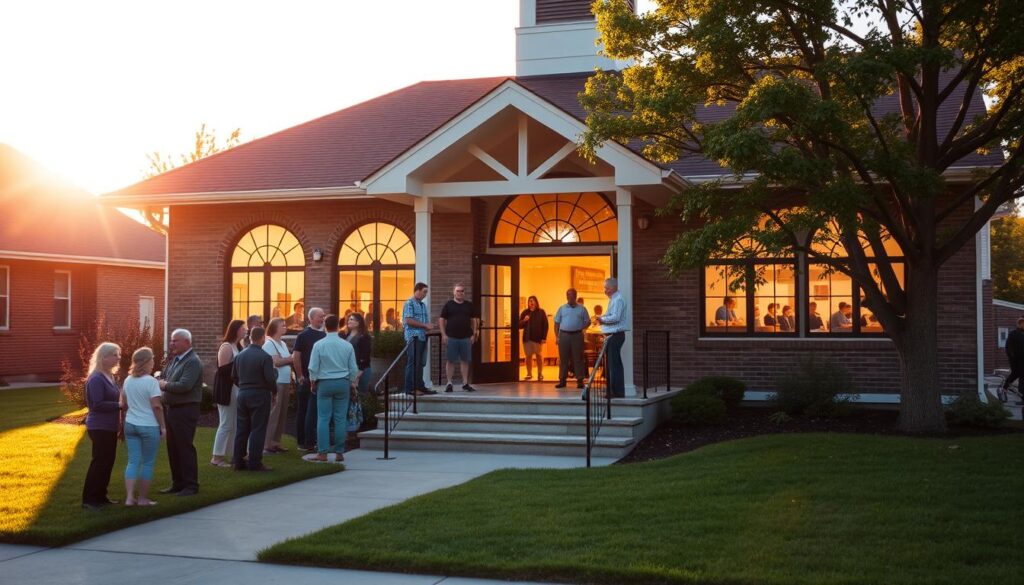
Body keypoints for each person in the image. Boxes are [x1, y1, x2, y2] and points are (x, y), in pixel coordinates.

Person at [308, 314, 361, 462]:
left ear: (325, 326)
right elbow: (353, 368)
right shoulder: (347, 345)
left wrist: (313, 382)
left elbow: (312, 367)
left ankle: (323, 452)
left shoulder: (319, 345)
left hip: (324, 383)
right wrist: (351, 382)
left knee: (323, 418)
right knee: (340, 418)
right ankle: (339, 452)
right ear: (338, 326)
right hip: (342, 382)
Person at [159, 329, 203, 496]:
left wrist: (164, 385)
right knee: (173, 448)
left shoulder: (192, 361)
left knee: (184, 447)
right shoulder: (175, 360)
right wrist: (163, 382)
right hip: (172, 409)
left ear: (187, 342)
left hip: (185, 409)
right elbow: (164, 376)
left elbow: (185, 385)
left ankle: (191, 485)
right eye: (171, 341)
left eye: (175, 341)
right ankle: (177, 483)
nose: (172, 344)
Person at [119, 347, 165, 506]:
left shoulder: (127, 380)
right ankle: (143, 499)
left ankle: (130, 497)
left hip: (130, 425)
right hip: (148, 426)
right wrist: (163, 427)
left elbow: (123, 404)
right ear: (146, 362)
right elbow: (157, 407)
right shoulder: (151, 381)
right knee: (147, 463)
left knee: (132, 461)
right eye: (152, 359)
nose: (153, 362)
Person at [82, 342, 122, 510]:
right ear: (103, 357)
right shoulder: (96, 378)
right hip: (99, 426)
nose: (118, 358)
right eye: (114, 355)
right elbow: (96, 405)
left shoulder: (109, 376)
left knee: (108, 461)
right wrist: (119, 405)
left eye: (118, 355)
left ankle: (101, 496)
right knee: (100, 461)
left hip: (110, 427)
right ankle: (90, 499)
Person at [231, 326, 277, 471]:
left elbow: (234, 376)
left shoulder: (240, 356)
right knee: (258, 428)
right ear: (263, 338)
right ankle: (255, 462)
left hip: (243, 393)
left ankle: (238, 461)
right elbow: (270, 379)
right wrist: (274, 391)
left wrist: (243, 386)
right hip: (259, 394)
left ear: (250, 337)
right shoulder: (265, 357)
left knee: (242, 428)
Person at [211, 320, 246, 468]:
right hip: (226, 390)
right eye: (243, 329)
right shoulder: (226, 346)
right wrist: (240, 363)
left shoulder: (238, 346)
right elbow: (222, 369)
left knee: (235, 423)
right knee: (225, 423)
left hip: (236, 388)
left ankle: (233, 455)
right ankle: (216, 457)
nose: (245, 331)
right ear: (236, 330)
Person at [292, 307, 326, 451]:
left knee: (314, 412)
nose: (322, 318)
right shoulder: (303, 335)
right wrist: (300, 375)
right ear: (311, 319)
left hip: (321, 378)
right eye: (320, 316)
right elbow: (296, 356)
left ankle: (311, 440)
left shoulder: (325, 335)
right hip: (306, 379)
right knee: (304, 410)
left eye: (323, 316)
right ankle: (304, 442)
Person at [262, 318, 294, 455]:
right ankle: (267, 443)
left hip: (286, 381)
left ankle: (276, 442)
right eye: (283, 325)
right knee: (274, 412)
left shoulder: (283, 344)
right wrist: (291, 359)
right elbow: (276, 362)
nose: (285, 327)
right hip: (277, 382)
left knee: (282, 413)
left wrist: (288, 360)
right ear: (275, 327)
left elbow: (284, 360)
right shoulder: (269, 344)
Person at [439, 283, 479, 392]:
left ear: (464, 293)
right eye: (458, 291)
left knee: (465, 360)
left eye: (462, 291)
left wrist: (474, 334)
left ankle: (465, 383)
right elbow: (441, 320)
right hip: (451, 337)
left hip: (466, 338)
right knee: (450, 360)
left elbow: (474, 320)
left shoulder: (469, 305)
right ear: (454, 292)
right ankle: (449, 383)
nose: (460, 293)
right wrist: (443, 334)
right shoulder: (448, 305)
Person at [596, 277, 629, 398]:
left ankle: (614, 392)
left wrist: (602, 319)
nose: (605, 290)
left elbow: (616, 317)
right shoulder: (613, 299)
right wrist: (602, 318)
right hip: (613, 335)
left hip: (615, 335)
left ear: (613, 288)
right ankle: (616, 391)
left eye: (606, 288)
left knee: (613, 364)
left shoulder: (618, 300)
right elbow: (610, 314)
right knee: (614, 364)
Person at [403, 282, 435, 395]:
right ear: (417, 290)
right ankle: (410, 389)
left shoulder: (422, 305)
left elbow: (424, 322)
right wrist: (425, 325)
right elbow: (408, 320)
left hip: (422, 337)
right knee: (413, 362)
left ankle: (420, 386)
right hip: (413, 337)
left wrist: (428, 326)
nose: (426, 294)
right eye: (424, 292)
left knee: (420, 363)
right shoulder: (409, 303)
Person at [554, 288, 590, 389]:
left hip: (577, 335)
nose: (569, 297)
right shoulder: (562, 308)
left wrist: (581, 326)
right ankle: (562, 380)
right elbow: (556, 323)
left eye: (571, 295)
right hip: (564, 335)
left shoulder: (582, 309)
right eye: (567, 295)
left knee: (578, 358)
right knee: (563, 359)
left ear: (575, 296)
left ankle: (580, 380)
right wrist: (557, 336)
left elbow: (588, 321)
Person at [518, 295, 549, 381]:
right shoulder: (525, 312)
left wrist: (544, 337)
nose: (531, 302)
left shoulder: (541, 312)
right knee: (528, 356)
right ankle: (529, 373)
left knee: (539, 355)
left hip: (537, 338)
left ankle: (540, 373)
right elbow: (519, 325)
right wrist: (524, 320)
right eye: (529, 301)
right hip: (527, 338)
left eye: (532, 300)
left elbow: (545, 325)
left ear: (536, 302)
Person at [344, 313, 373, 396]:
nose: (349, 321)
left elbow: (365, 356)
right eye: (348, 319)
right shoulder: (346, 335)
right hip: (349, 369)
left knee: (360, 395)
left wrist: (358, 375)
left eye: (352, 319)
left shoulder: (364, 337)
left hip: (361, 370)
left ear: (358, 322)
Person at [1002, 316, 1024, 397]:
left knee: (1018, 374)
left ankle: (1006, 388)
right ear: (1019, 324)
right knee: (1017, 373)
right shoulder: (1013, 333)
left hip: (1022, 359)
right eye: (1022, 323)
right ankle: (1005, 388)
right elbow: (1008, 347)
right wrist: (1012, 356)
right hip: (1016, 359)